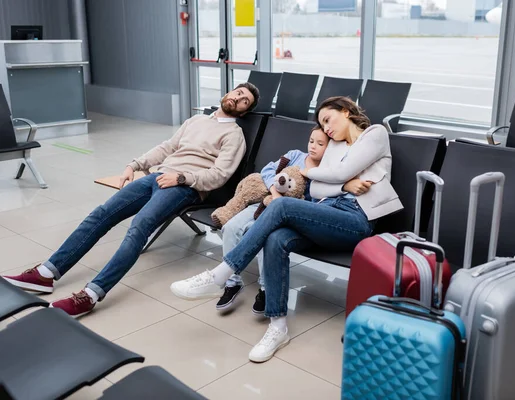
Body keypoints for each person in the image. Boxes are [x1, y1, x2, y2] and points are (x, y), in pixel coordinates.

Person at [170, 96, 402, 363]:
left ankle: (221, 274)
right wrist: (344, 184)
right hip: (325, 214)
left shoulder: (375, 134)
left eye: (328, 119)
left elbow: (339, 173)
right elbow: (318, 189)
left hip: (356, 219)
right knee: (276, 238)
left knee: (280, 207)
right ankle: (278, 327)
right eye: (321, 124)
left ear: (347, 112)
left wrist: (314, 174)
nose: (326, 128)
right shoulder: (335, 146)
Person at [2, 83, 260, 318]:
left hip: (183, 187)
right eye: (238, 92)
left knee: (139, 226)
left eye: (245, 100)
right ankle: (47, 273)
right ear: (228, 93)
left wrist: (181, 178)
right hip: (157, 176)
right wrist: (134, 165)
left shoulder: (234, 135)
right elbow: (167, 147)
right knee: (101, 214)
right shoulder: (196, 120)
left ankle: (91, 294)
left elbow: (219, 176)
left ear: (244, 110)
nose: (238, 98)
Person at [170, 127, 329, 314]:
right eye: (311, 141)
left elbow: (314, 200)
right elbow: (268, 170)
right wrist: (275, 192)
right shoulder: (294, 156)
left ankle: (265, 288)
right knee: (229, 227)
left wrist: (286, 201)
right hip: (264, 202)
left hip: (285, 215)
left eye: (320, 144)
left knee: (263, 237)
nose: (313, 147)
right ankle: (232, 282)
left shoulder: (325, 171)